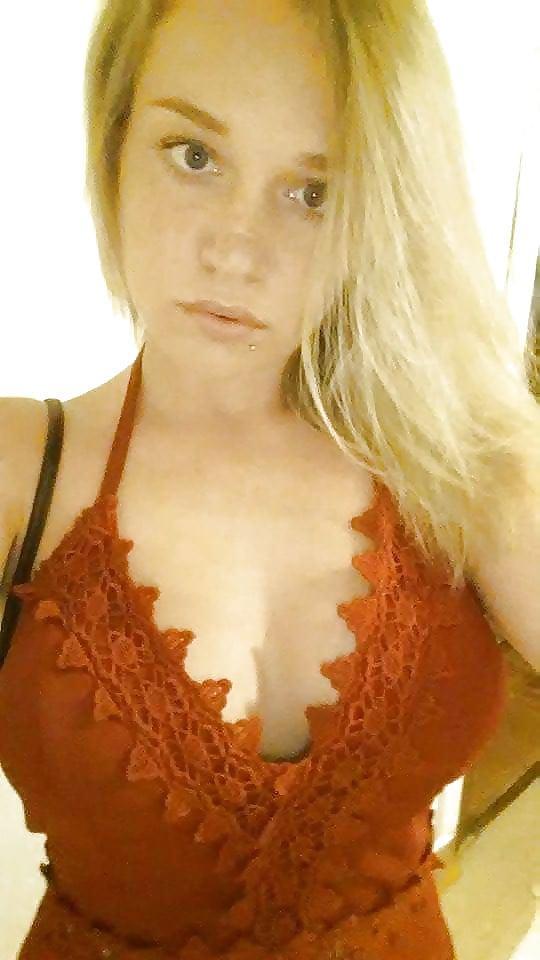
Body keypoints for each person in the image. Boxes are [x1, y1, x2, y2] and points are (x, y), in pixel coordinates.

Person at [0, 1, 538, 958]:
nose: (235, 250)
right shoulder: (18, 474)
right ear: (114, 146)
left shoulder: (463, 462)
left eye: (314, 193)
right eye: (194, 156)